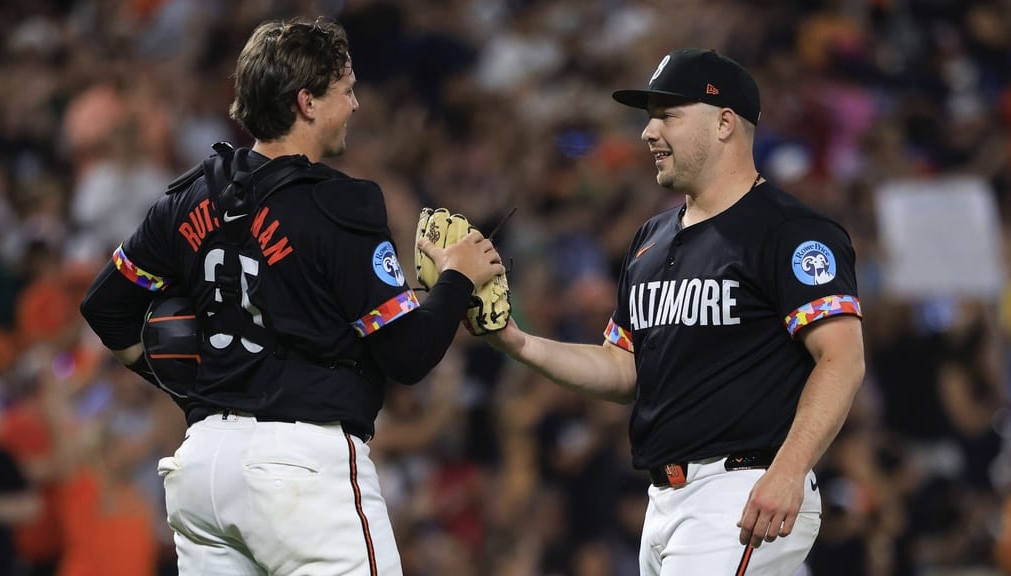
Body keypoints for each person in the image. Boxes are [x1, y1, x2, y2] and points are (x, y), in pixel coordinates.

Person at [79, 16, 504, 575]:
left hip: (202, 469)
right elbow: (408, 355)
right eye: (346, 91)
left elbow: (106, 307)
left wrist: (189, 391)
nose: (355, 106)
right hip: (300, 470)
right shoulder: (342, 204)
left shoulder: (186, 197)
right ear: (307, 101)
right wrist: (456, 279)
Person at [474, 48, 865, 575]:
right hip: (664, 503)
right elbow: (623, 368)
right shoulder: (651, 240)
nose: (648, 132)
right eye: (649, 116)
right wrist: (516, 341)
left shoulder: (791, 231)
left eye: (668, 115)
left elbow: (841, 359)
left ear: (725, 122)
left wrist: (789, 470)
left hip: (743, 490)